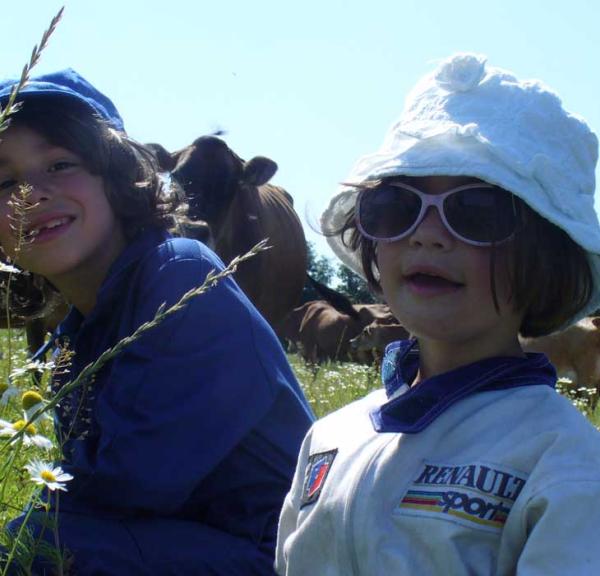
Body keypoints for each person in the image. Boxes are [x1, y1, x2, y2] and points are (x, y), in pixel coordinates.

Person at [275, 53, 600, 575]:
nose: (426, 234)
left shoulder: (561, 463)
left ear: (548, 259)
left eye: (477, 213)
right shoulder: (329, 437)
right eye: (396, 206)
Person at [0, 68, 313, 575]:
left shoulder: (180, 276)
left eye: (59, 164)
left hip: (270, 557)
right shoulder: (82, 327)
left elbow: (128, 488)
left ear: (121, 176)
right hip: (182, 545)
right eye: (4, 181)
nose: (29, 194)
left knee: (39, 543)